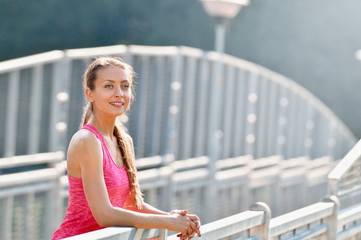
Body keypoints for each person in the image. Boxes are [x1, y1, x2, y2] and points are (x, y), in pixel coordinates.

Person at [52, 56, 201, 240]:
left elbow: (131, 205)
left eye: (125, 86)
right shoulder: (87, 140)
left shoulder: (124, 141)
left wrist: (175, 219)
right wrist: (167, 223)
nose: (119, 93)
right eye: (108, 86)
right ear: (90, 94)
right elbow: (105, 215)